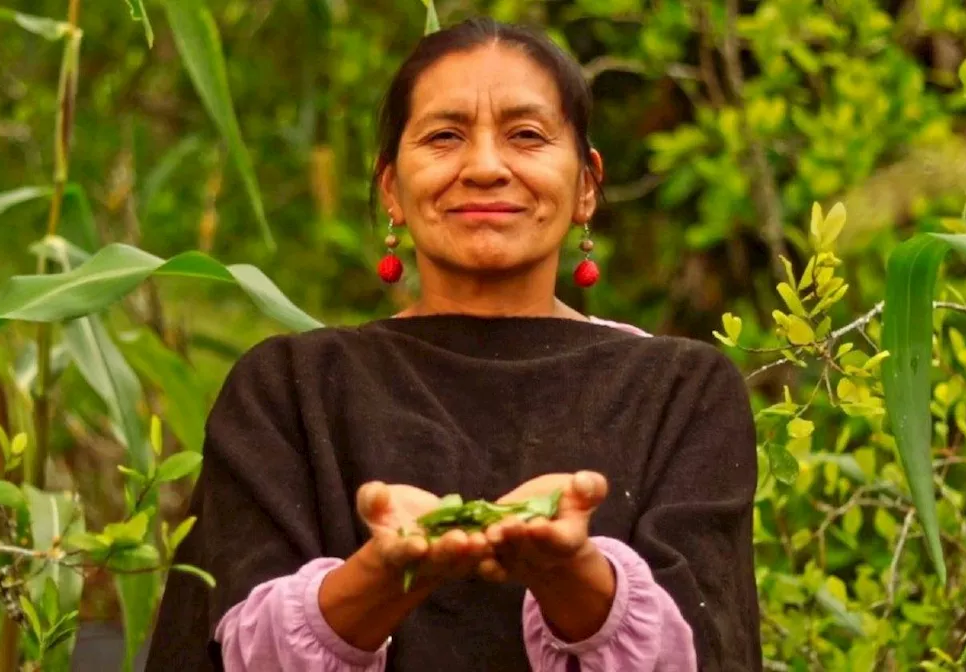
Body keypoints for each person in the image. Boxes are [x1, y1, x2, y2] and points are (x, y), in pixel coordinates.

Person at [145, 17, 761, 672]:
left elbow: (709, 652)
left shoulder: (680, 390)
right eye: (445, 136)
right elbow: (215, 648)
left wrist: (574, 577)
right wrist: (380, 576)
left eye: (526, 136)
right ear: (392, 189)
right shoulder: (289, 389)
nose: (486, 168)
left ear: (586, 184)